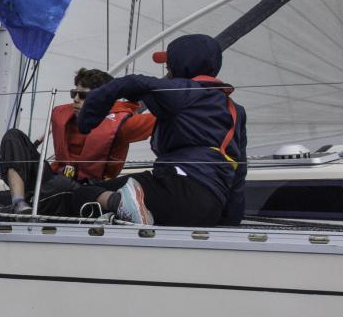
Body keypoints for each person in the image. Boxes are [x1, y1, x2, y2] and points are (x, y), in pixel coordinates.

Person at [73, 34, 247, 226]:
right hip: (211, 206)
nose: (167, 69)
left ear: (181, 65)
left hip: (177, 189)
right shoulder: (235, 110)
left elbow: (132, 82)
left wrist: (87, 118)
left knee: (81, 195)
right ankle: (129, 207)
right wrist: (232, 220)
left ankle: (120, 203)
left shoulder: (181, 91)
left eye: (169, 65)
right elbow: (240, 170)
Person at [0, 68, 156, 215]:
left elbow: (160, 119)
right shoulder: (63, 114)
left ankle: (27, 203)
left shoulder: (121, 124)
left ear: (102, 98)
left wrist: (166, 89)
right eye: (74, 94)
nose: (76, 99)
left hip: (86, 188)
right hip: (53, 178)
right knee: (13, 136)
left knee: (60, 184)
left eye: (83, 96)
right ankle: (19, 203)